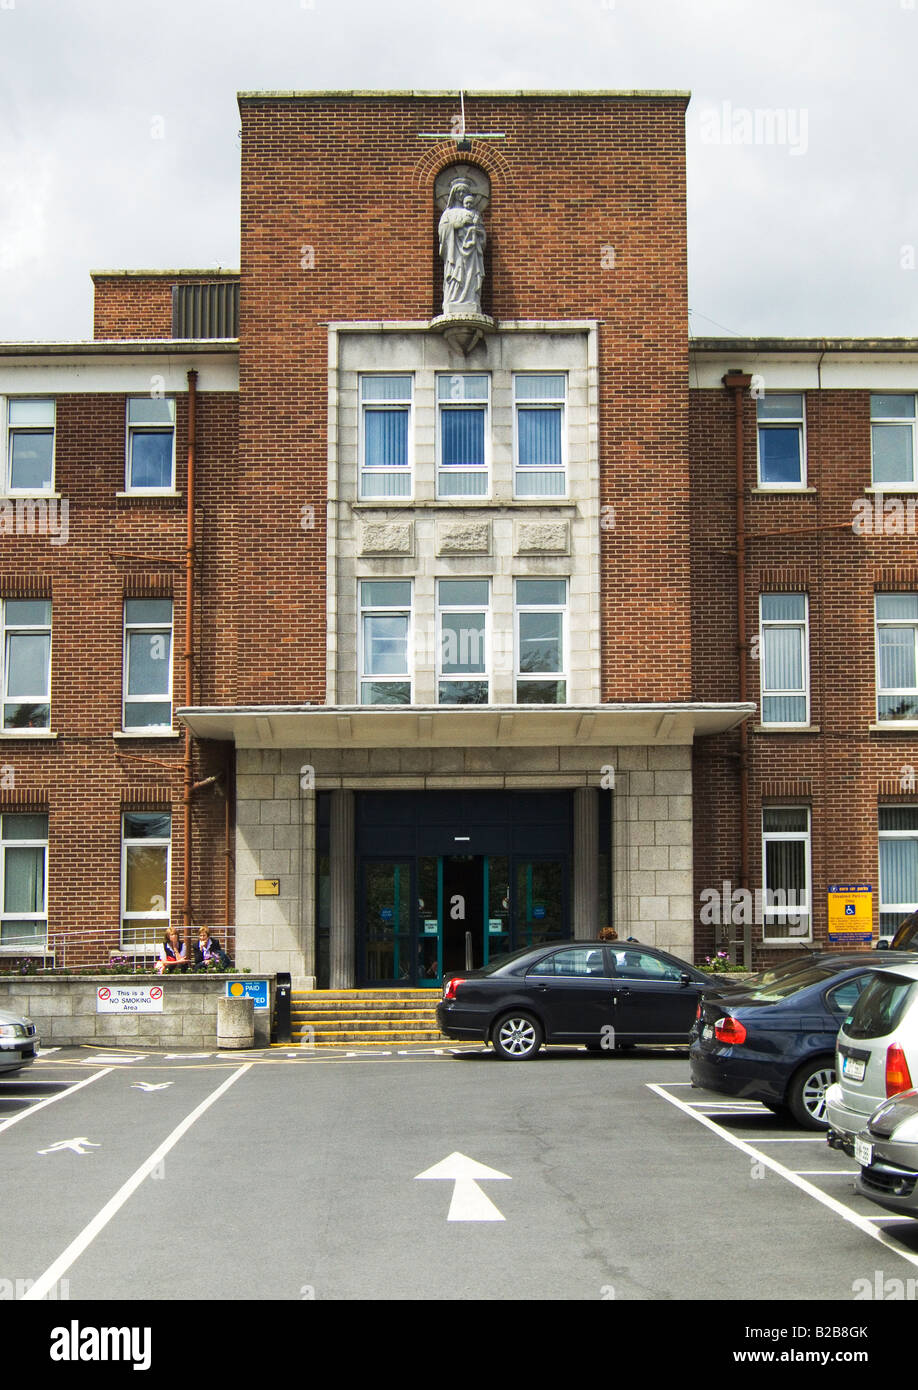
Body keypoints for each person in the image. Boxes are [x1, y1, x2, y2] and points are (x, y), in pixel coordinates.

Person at [438, 180, 486, 316]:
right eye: (458, 191)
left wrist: (476, 231)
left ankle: (471, 299)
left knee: (470, 273)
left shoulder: (474, 214)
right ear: (453, 193)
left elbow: (482, 233)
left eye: (463, 192)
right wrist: (457, 225)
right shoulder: (448, 213)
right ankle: (453, 299)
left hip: (471, 252)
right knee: (455, 274)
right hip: (454, 252)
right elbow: (442, 231)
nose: (460, 194)